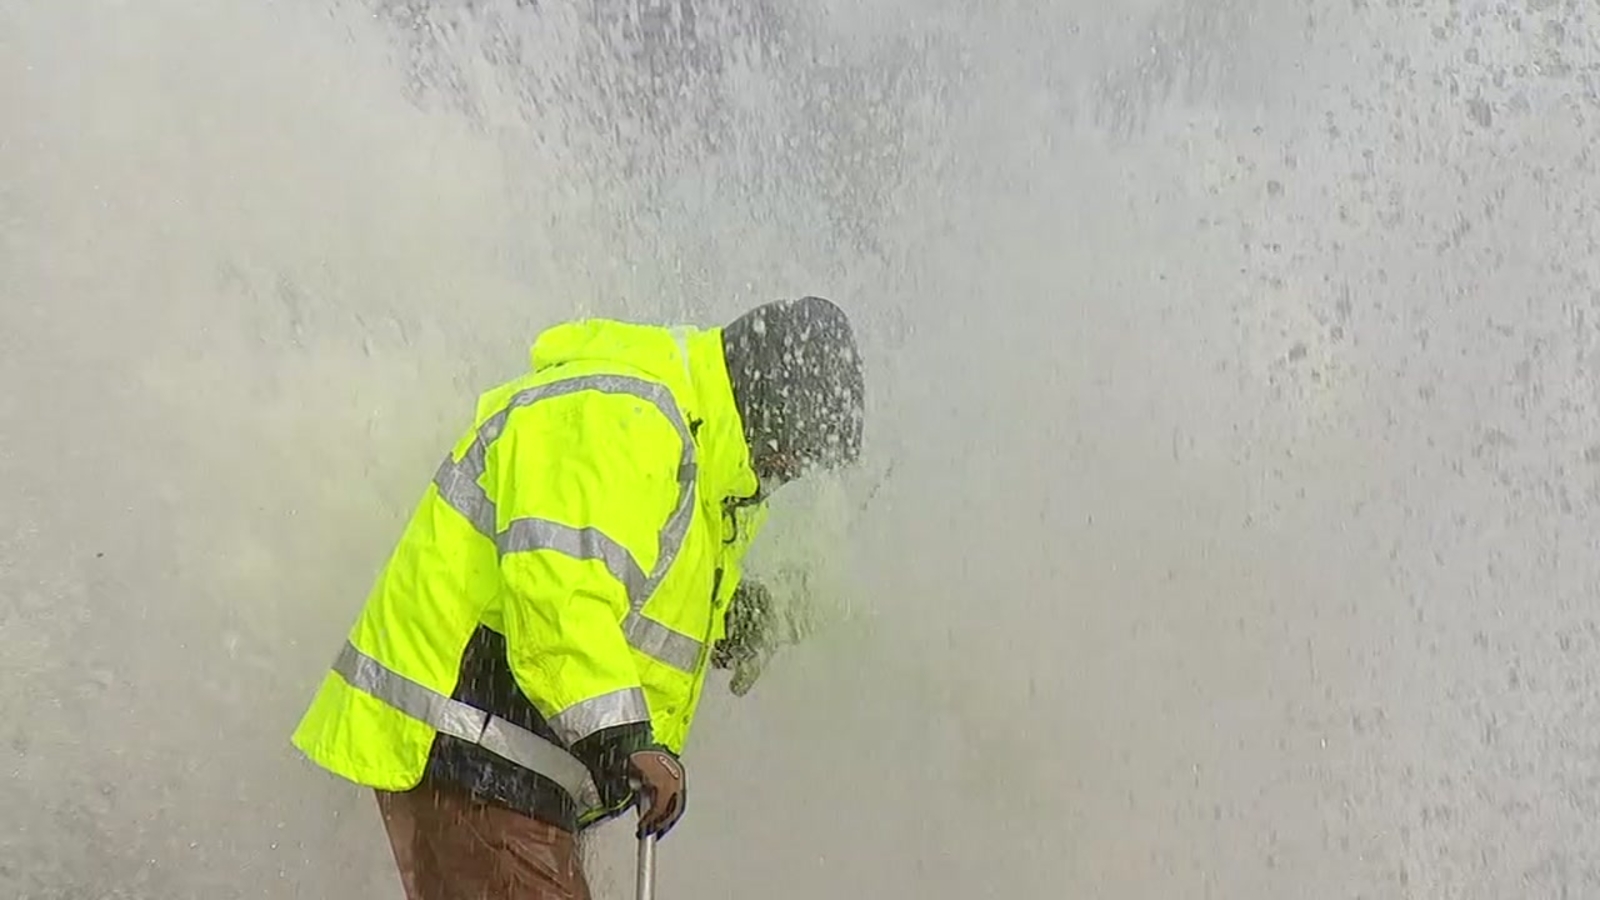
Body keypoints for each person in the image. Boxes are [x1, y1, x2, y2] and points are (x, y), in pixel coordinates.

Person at [290, 296, 866, 900]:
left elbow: (634, 601)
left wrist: (734, 625)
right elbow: (558, 597)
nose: (791, 468)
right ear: (767, 402)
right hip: (474, 737)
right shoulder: (632, 419)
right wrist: (625, 741)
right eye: (796, 448)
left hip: (507, 756)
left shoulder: (706, 472)